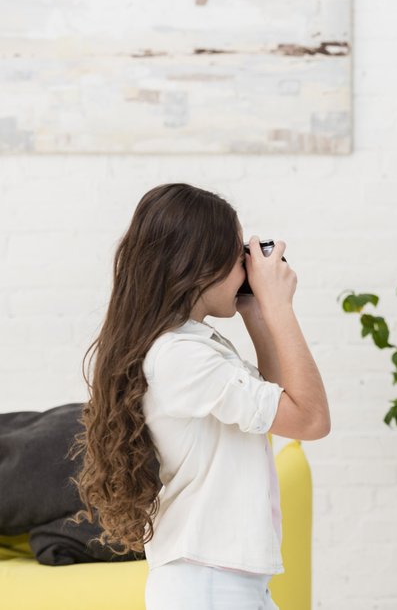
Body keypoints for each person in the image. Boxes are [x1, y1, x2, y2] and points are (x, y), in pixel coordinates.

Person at [72, 183, 330, 609]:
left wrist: (258, 312)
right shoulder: (182, 356)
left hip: (221, 578)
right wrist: (282, 307)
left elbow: (278, 400)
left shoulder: (188, 346)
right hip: (209, 583)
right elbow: (311, 419)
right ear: (200, 264)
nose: (247, 268)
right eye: (237, 257)